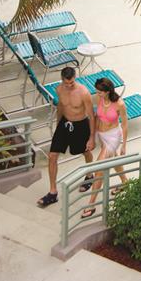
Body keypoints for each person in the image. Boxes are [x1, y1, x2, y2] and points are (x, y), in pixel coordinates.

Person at [37, 66, 95, 207]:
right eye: (66, 83)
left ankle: (89, 175)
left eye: (71, 83)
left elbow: (92, 116)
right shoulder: (59, 89)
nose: (69, 85)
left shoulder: (83, 93)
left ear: (75, 78)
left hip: (80, 125)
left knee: (85, 151)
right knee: (52, 156)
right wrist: (58, 125)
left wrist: (92, 137)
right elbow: (61, 107)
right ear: (62, 79)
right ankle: (53, 192)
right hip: (64, 123)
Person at [81, 77, 129, 219]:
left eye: (100, 92)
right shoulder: (100, 99)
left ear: (108, 91)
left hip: (113, 137)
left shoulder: (119, 104)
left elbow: (125, 124)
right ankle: (125, 182)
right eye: (97, 91)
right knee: (112, 160)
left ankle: (91, 205)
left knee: (99, 168)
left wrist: (124, 145)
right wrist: (93, 136)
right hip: (102, 135)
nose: (97, 94)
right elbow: (97, 117)